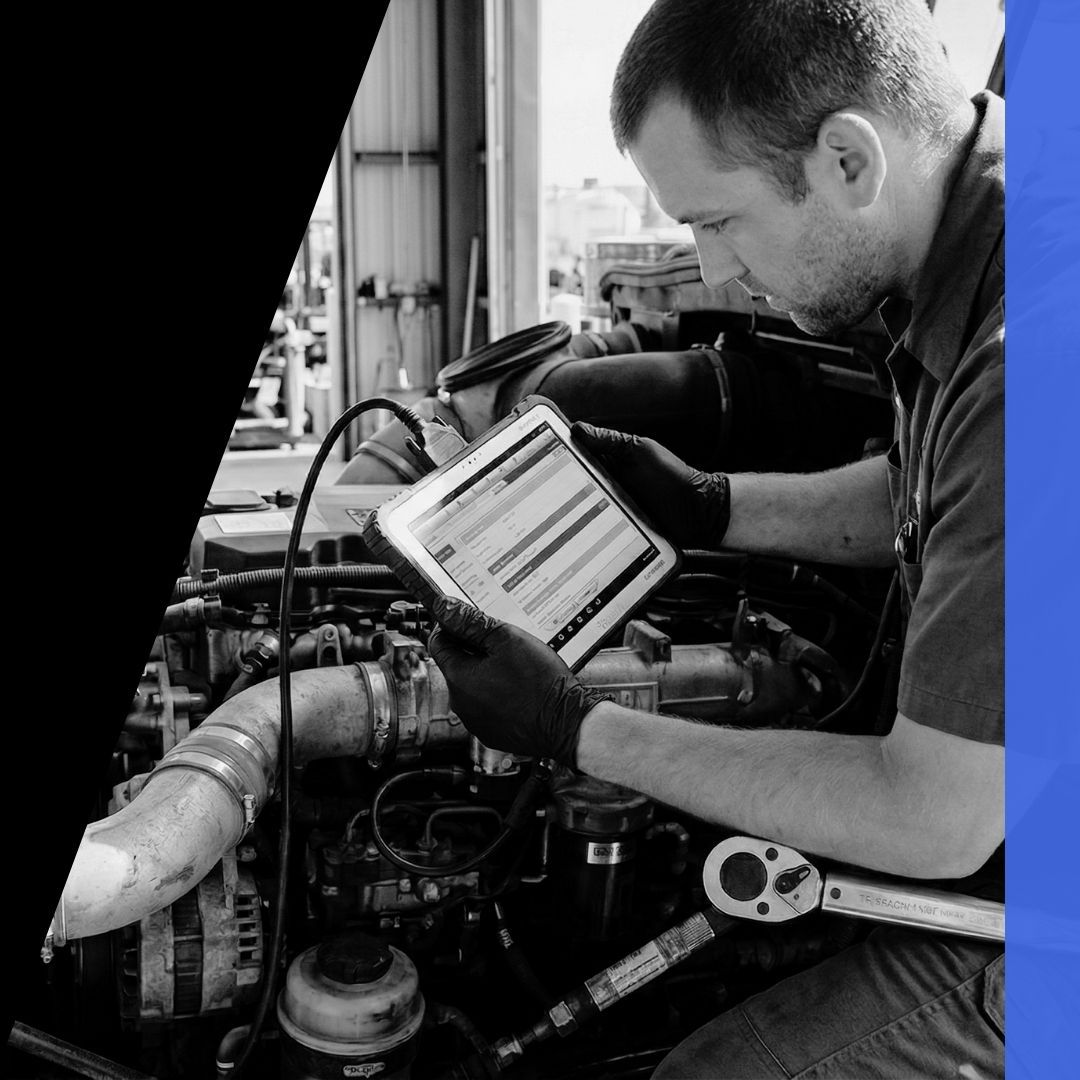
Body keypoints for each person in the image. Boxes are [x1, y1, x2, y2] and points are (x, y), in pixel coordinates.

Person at [429, 0, 1004, 1075]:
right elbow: (927, 497)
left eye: (719, 221)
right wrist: (710, 502)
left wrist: (570, 726)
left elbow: (934, 821)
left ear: (847, 158)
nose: (715, 272)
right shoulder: (975, 244)